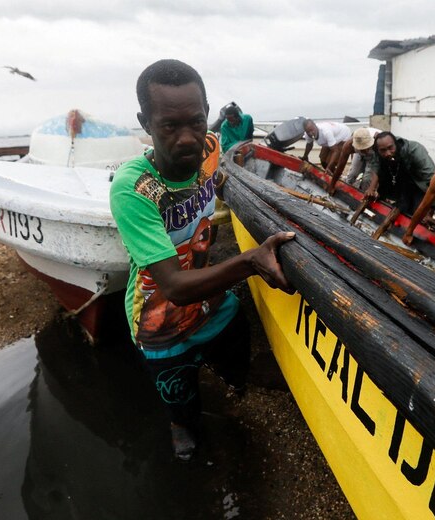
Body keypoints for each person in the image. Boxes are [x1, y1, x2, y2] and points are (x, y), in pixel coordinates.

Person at [110, 59, 296, 462]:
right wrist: (250, 261)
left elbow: (220, 181)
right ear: (145, 123)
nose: (186, 139)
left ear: (208, 113)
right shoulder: (134, 188)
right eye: (169, 127)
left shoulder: (212, 151)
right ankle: (181, 424)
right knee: (180, 402)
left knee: (236, 329)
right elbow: (174, 287)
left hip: (209, 296)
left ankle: (236, 381)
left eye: (195, 122)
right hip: (158, 317)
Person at [363, 131, 435, 215]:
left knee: (416, 211)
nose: (388, 153)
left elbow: (431, 178)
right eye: (383, 150)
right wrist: (371, 188)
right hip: (399, 181)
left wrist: (429, 207)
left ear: (396, 144)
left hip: (418, 183)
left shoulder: (415, 150)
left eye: (390, 148)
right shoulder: (378, 151)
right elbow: (376, 165)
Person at [325, 126, 381, 194]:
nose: (366, 151)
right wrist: (332, 185)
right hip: (359, 154)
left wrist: (372, 188)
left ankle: (364, 195)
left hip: (373, 155)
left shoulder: (378, 140)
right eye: (362, 148)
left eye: (367, 147)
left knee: (366, 180)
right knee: (351, 176)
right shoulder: (348, 146)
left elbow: (378, 166)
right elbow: (340, 167)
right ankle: (346, 193)